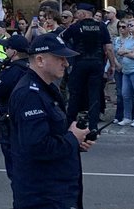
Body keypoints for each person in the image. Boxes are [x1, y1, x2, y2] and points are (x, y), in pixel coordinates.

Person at [9, 33, 95, 209]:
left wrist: (75, 141)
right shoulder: (29, 94)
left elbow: (52, 132)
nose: (66, 63)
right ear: (40, 60)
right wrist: (72, 138)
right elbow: (37, 146)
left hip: (58, 190)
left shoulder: (46, 88)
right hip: (43, 195)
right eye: (60, 58)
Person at [61, 4, 117, 131]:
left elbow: (62, 39)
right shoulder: (101, 26)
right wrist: (112, 65)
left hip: (80, 62)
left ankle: (69, 123)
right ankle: (93, 126)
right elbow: (108, 48)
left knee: (75, 93)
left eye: (78, 12)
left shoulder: (76, 26)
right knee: (95, 94)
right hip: (96, 63)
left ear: (84, 14)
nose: (76, 15)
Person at [0, 33, 29, 181]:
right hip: (24, 118)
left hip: (9, 118)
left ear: (14, 52)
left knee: (13, 161)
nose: (5, 50)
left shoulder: (12, 70)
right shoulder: (30, 68)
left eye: (7, 48)